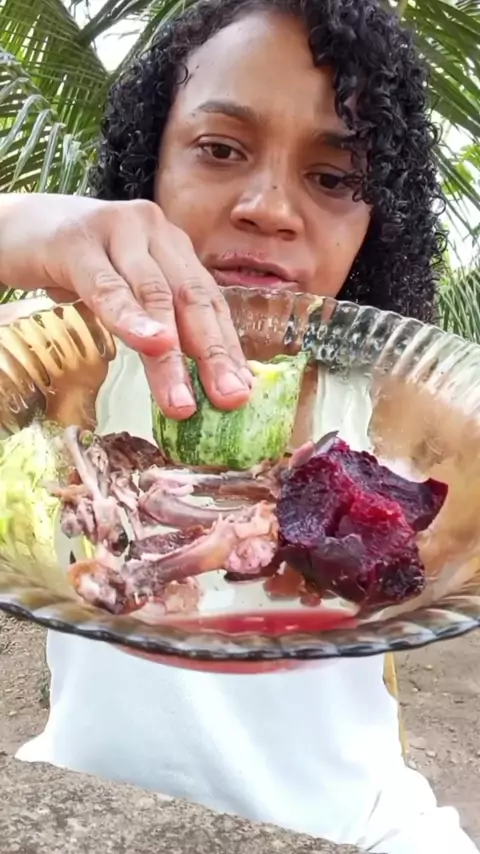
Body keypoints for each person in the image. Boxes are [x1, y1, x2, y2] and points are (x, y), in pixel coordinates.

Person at [0, 0, 476, 850]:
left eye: (333, 177)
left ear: (377, 217)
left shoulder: (399, 404)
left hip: (364, 828)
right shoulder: (67, 365)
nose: (268, 208)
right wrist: (21, 227)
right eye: (220, 149)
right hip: (85, 795)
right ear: (149, 165)